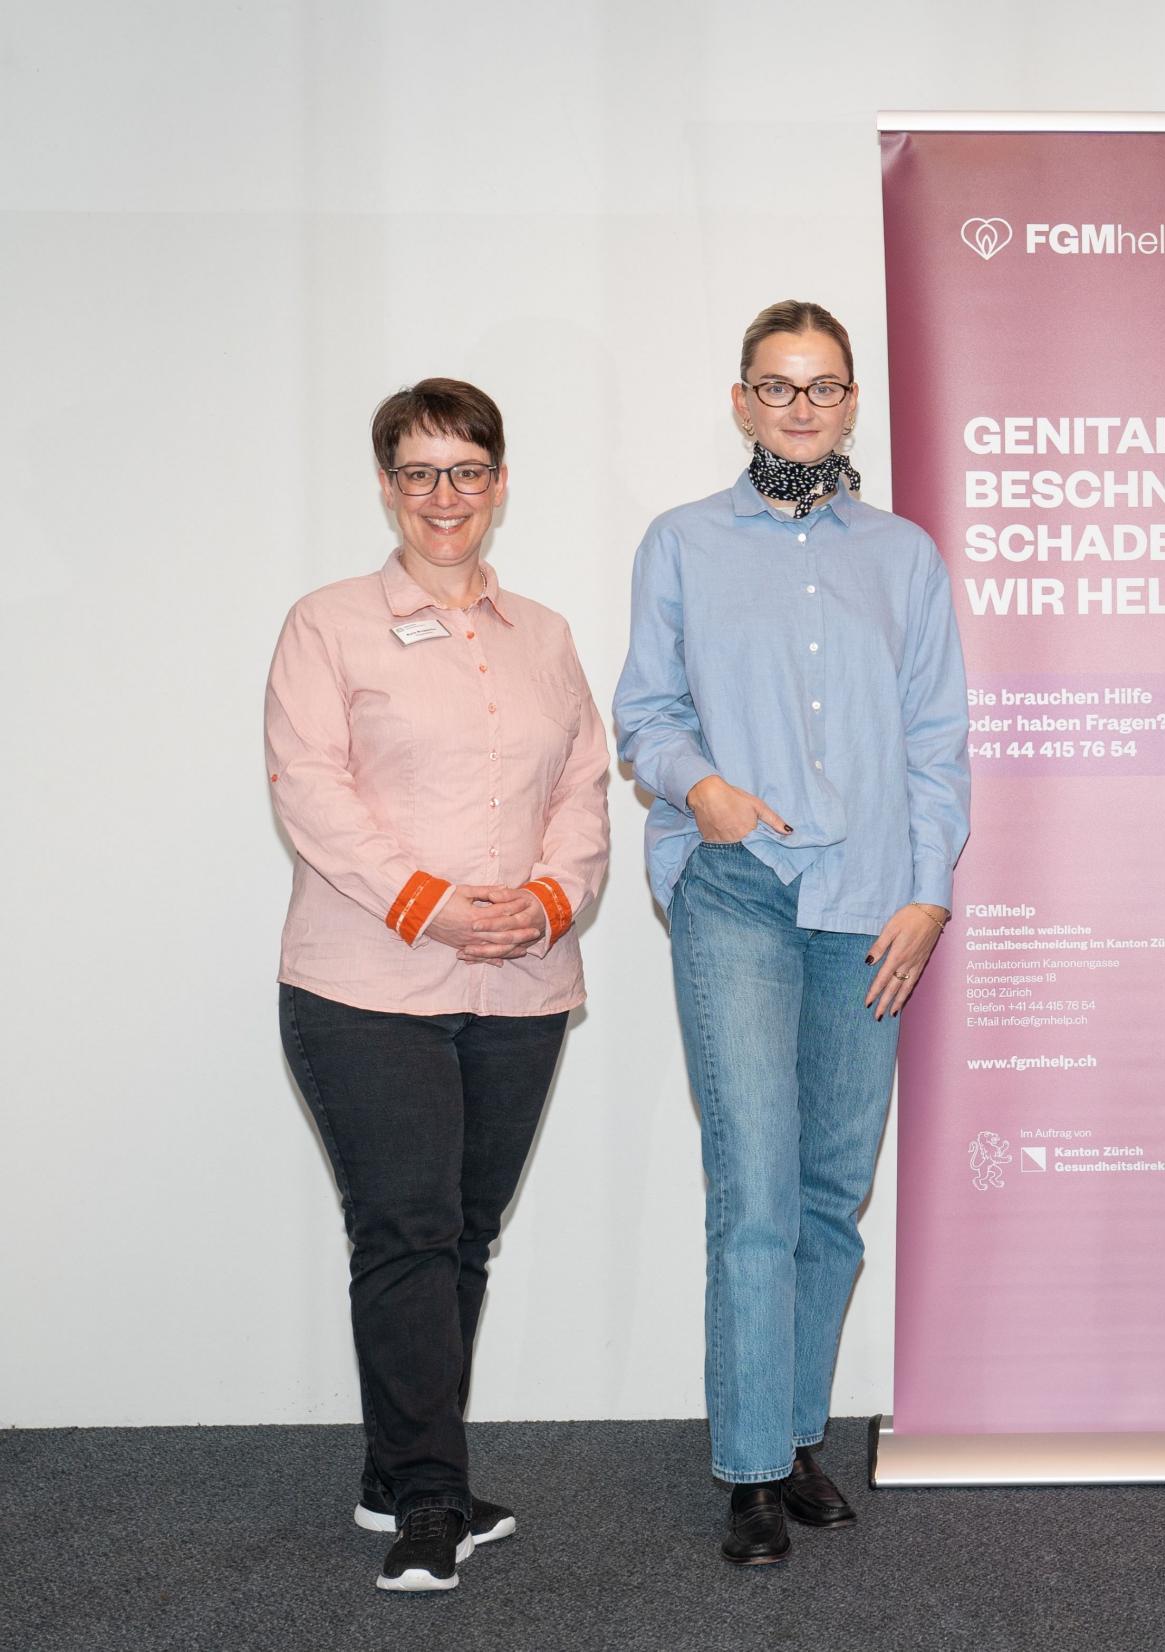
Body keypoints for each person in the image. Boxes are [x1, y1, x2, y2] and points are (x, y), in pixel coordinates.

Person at [614, 301, 969, 1567]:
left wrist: (928, 893)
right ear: (742, 400)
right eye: (779, 386)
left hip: (874, 901)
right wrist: (695, 782)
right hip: (740, 889)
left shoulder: (905, 557)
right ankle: (753, 1468)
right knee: (755, 1184)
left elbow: (936, 742)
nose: (801, 407)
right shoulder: (682, 544)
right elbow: (644, 714)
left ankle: (797, 1427)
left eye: (823, 388)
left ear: (853, 401)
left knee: (830, 1189)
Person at [266, 378, 610, 1592]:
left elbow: (583, 786)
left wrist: (552, 898)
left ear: (501, 483)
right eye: (419, 472)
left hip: (522, 981)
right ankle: (428, 1495)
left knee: (464, 1231)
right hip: (366, 983)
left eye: (467, 470)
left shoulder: (549, 636)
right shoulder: (328, 622)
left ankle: (396, 1465)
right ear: (386, 486)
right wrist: (432, 901)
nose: (444, 495)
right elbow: (310, 789)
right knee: (405, 1232)